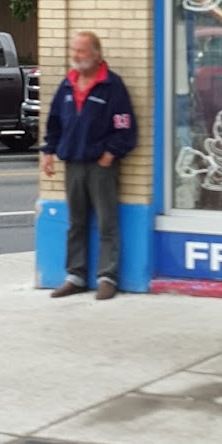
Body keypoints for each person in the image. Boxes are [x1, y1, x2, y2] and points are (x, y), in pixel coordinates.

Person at [42, 30, 137, 299]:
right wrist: (48, 152)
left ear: (96, 54)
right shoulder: (67, 84)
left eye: (81, 51)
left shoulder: (112, 86)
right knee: (76, 222)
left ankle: (107, 277)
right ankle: (76, 276)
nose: (75, 55)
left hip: (101, 165)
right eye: (74, 50)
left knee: (107, 222)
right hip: (73, 163)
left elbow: (125, 126)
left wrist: (111, 153)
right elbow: (54, 122)